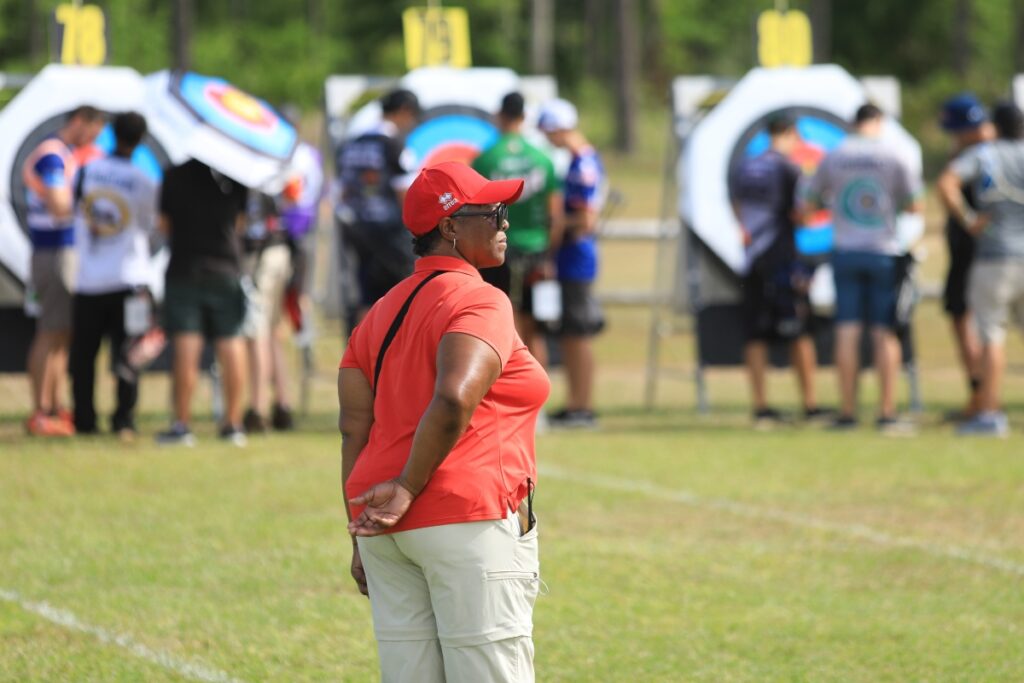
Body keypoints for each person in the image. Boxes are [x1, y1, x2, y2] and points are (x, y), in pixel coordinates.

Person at [341, 161, 546, 682]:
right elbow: (454, 397)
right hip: (463, 517)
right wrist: (409, 485)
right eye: (495, 212)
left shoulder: (378, 312)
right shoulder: (480, 300)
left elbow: (353, 430)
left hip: (384, 526)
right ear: (450, 226)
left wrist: (360, 532)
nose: (506, 223)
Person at [802, 104, 923, 433]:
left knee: (847, 330)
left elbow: (809, 205)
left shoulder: (834, 155)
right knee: (885, 331)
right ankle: (886, 412)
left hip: (845, 250)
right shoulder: (895, 154)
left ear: (854, 123)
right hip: (884, 252)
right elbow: (915, 205)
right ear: (879, 122)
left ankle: (847, 412)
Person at [69, 112, 158, 440]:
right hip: (130, 280)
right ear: (141, 140)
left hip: (88, 279)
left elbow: (76, 210)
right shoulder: (144, 181)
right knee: (129, 353)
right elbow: (150, 226)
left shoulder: (86, 172)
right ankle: (124, 419)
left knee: (83, 355)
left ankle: (84, 419)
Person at [730, 115, 824, 427]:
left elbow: (738, 208)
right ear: (789, 134)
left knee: (754, 332)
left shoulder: (746, 166)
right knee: (799, 330)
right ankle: (810, 405)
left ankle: (760, 407)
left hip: (753, 257)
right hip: (782, 257)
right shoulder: (788, 167)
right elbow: (802, 214)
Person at [939, 102, 1024, 437]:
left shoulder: (986, 155)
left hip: (995, 258)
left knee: (991, 337)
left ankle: (988, 411)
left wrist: (970, 220)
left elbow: (946, 183)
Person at [22, 105, 105, 436]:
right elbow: (58, 205)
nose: (91, 140)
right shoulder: (53, 156)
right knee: (50, 331)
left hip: (58, 251)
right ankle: (41, 410)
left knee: (61, 333)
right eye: (92, 132)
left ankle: (55, 407)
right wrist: (90, 210)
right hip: (54, 251)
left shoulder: (63, 154)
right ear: (79, 122)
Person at [156, 159, 249, 447]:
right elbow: (240, 223)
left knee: (187, 344)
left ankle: (182, 424)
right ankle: (233, 424)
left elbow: (163, 224)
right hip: (226, 268)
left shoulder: (174, 175)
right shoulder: (236, 174)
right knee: (232, 341)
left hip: (185, 267)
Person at [472, 92, 564, 366]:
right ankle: (538, 399)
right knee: (533, 328)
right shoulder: (543, 158)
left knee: (501, 324)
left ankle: (505, 396)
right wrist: (549, 255)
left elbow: (476, 213)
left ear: (500, 117)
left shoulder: (486, 159)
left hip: (497, 252)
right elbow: (555, 216)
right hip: (536, 250)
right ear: (524, 117)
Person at [536, 98, 606, 429]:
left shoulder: (584, 163)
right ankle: (575, 402)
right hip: (568, 257)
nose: (549, 140)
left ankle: (583, 406)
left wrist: (557, 226)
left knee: (578, 333)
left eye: (551, 133)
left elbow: (587, 219)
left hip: (576, 257)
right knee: (569, 333)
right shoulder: (577, 162)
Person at [335, 88, 421, 322]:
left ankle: (363, 354)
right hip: (392, 234)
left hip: (359, 231)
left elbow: (342, 191)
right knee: (406, 297)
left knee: (368, 298)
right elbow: (406, 193)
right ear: (403, 111)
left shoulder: (352, 143)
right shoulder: (393, 145)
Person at [938, 94, 993, 421]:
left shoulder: (975, 155)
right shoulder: (1004, 148)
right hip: (999, 252)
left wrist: (968, 219)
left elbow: (946, 185)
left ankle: (981, 395)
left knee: (969, 321)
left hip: (974, 253)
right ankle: (983, 395)